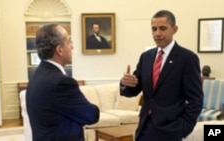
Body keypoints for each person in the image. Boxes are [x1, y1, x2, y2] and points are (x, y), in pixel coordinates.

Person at [120, 10, 203, 141]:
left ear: (174, 29)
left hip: (171, 131)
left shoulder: (187, 58)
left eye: (163, 28)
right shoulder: (146, 57)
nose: (157, 33)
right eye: (154, 29)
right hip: (144, 129)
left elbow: (196, 99)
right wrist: (125, 84)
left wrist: (183, 129)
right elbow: (133, 90)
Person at [26, 24, 100, 141]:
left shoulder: (37, 75)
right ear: (59, 50)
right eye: (69, 42)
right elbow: (91, 115)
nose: (72, 47)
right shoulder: (62, 83)